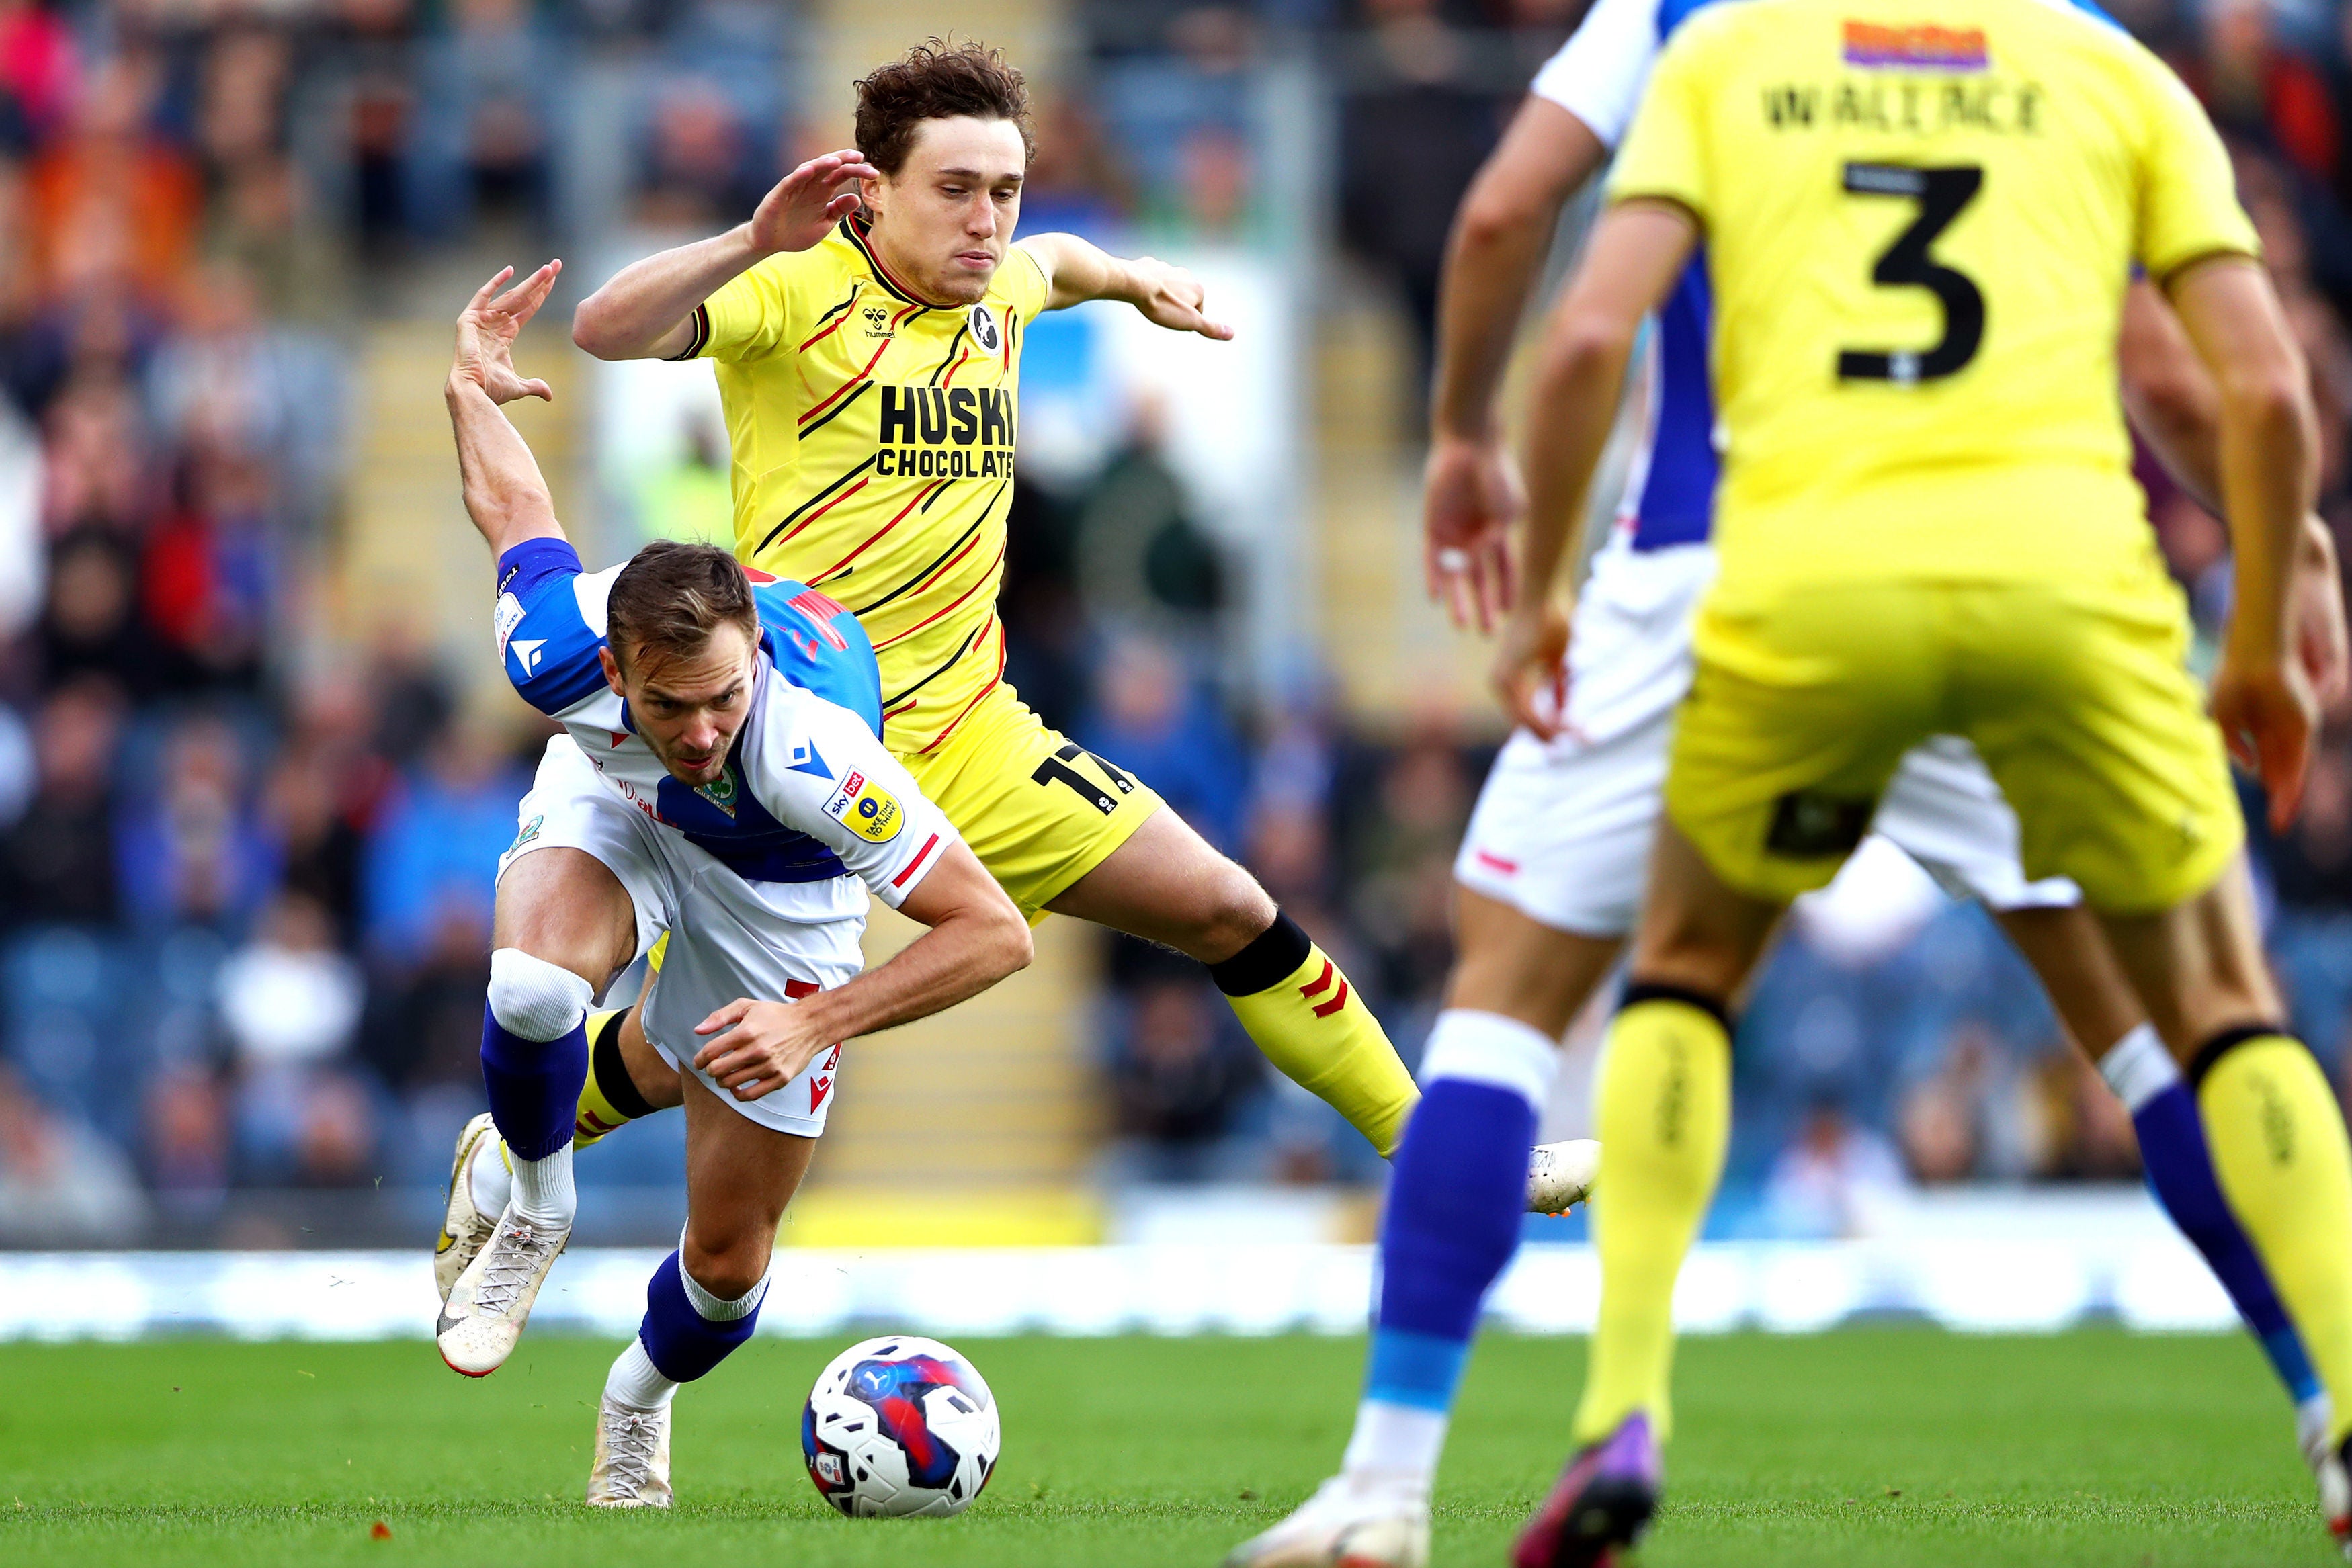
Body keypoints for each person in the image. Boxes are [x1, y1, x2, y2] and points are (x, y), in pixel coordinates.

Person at [1223, 0, 2351, 1561]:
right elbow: (2184, 372)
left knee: (1526, 999)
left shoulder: (1705, 29)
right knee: (2183, 1031)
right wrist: (2277, 541)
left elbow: (1508, 219)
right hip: (2043, 590)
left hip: (1739, 571)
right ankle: (2328, 1407)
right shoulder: (2078, 43)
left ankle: (1396, 1486)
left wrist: (1468, 455)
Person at [489, 37, 1591, 1209]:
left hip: (974, 735)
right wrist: (754, 239)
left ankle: (1436, 1156)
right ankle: (514, 1146)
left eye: (1004, 190)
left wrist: (1130, 278)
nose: (987, 221)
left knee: (1227, 905)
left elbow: (1056, 261)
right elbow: (605, 328)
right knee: (688, 1045)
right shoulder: (796, 290)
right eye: (955, 190)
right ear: (874, 192)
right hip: (790, 738)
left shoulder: (1003, 284)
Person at [435, 261, 1032, 1510]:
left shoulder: (821, 761)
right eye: (669, 703)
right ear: (616, 671)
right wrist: (468, 386)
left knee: (725, 1268)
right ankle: (535, 1206)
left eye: (723, 697)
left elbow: (994, 932)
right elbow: (515, 510)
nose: (701, 728)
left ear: (753, 652)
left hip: (782, 888)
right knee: (532, 985)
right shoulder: (561, 656)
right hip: (619, 806)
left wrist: (813, 1018)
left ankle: (634, 1402)